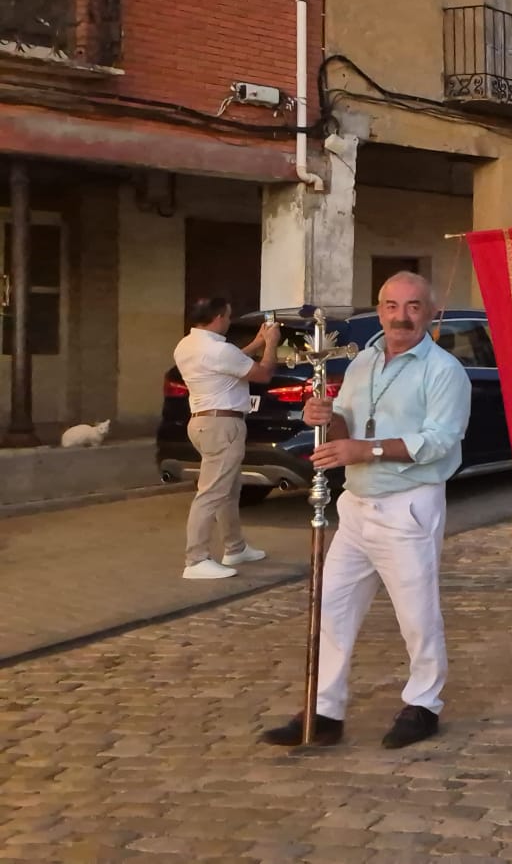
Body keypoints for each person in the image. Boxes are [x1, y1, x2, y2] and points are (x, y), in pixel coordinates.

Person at [261, 272, 471, 750]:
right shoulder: (363, 363)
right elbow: (345, 428)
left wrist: (365, 450)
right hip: (354, 505)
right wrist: (326, 418)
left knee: (416, 616)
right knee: (332, 607)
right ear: (379, 309)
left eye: (414, 306)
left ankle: (424, 704)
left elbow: (439, 443)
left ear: (430, 312)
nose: (402, 316)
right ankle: (325, 711)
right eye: (392, 305)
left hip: (408, 505)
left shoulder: (443, 371)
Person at [173, 297, 280, 580]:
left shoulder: (187, 345)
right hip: (223, 425)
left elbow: (228, 363)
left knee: (229, 490)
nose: (230, 321)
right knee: (211, 493)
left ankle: (235, 547)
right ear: (219, 317)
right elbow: (263, 373)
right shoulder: (220, 350)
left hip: (202, 422)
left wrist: (256, 343)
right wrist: (271, 343)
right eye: (229, 316)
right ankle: (195, 560)